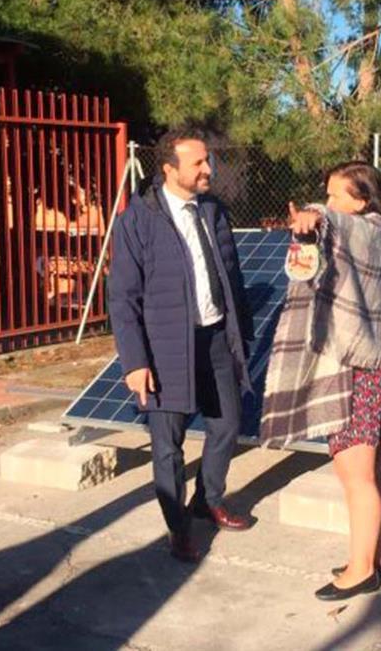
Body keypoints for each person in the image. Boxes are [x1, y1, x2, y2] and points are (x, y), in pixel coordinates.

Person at [261, 161, 381, 601]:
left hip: (356, 370)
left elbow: (335, 224)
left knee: (356, 475)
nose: (328, 201)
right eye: (325, 195)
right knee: (378, 469)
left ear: (361, 201)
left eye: (335, 194)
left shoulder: (363, 230)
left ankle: (361, 570)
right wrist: (318, 223)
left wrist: (316, 215)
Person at [108, 125, 255, 563]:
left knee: (227, 425)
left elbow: (232, 277)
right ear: (170, 169)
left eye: (208, 160)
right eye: (199, 162)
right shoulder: (138, 219)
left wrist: (239, 332)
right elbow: (122, 297)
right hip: (166, 347)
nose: (209, 168)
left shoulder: (213, 210)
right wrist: (134, 361)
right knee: (168, 445)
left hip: (215, 340)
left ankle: (207, 500)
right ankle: (178, 528)